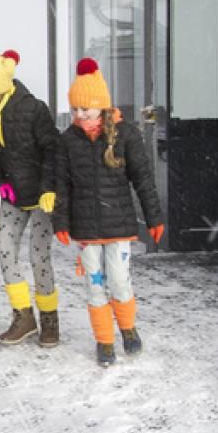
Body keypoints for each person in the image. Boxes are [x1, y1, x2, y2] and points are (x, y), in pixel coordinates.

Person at [53, 58, 163, 366]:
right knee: (94, 283)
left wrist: (153, 217)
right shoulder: (68, 141)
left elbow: (142, 177)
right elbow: (61, 184)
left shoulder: (125, 135)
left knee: (119, 278)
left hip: (118, 225)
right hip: (85, 228)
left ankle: (127, 328)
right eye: (74, 109)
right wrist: (60, 221)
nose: (79, 115)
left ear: (101, 106)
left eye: (85, 108)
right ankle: (104, 340)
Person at [0, 49, 61, 347]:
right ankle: (23, 317)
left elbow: (52, 150)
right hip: (12, 196)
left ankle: (49, 319)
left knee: (39, 257)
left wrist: (49, 188)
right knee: (6, 251)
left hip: (40, 198)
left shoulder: (34, 110)